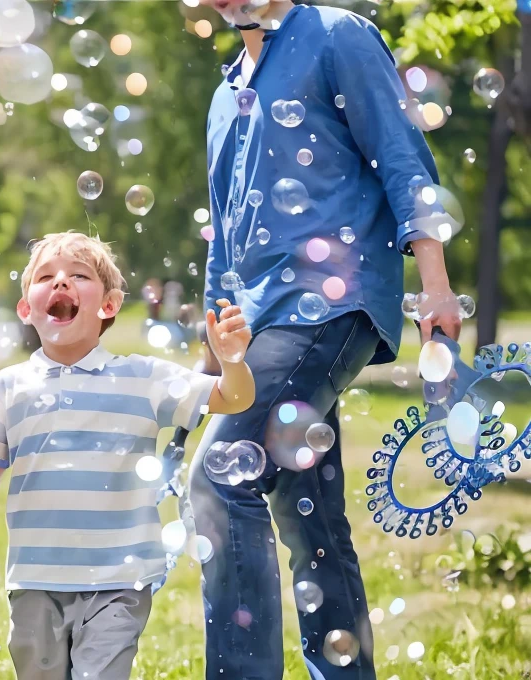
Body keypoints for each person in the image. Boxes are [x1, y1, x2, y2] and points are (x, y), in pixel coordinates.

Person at [172, 1, 463, 679]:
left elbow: (402, 158)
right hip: (258, 324)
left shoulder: (336, 35)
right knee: (311, 523)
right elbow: (226, 233)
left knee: (221, 481)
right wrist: (215, 354)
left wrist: (436, 286)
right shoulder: (224, 94)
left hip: (329, 303)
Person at [0, 232, 255, 680]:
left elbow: (230, 399)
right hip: (34, 579)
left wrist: (233, 362)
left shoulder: (143, 378)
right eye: (46, 277)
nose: (61, 283)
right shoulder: (6, 388)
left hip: (119, 580)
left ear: (109, 304)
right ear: (27, 309)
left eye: (78, 276)